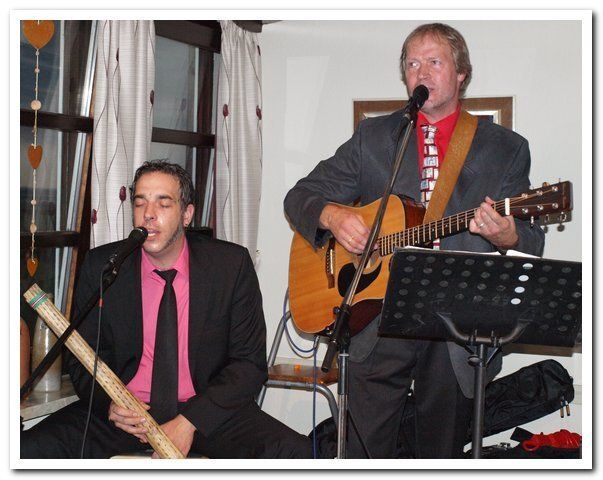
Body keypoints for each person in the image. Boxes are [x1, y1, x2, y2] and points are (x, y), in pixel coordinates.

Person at [284, 23, 545, 458]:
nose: (421, 72)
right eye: (412, 64)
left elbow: (531, 239)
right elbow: (301, 196)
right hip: (376, 317)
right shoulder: (374, 138)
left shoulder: (505, 148)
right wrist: (334, 216)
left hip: (457, 323)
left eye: (434, 62)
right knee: (365, 453)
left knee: (440, 453)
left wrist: (508, 233)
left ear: (461, 74)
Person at [22, 161, 312, 459]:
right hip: (126, 415)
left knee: (296, 454)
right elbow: (83, 358)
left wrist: (189, 422)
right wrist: (109, 406)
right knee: (26, 449)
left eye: (163, 203)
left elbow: (248, 364)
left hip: (204, 414)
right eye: (140, 203)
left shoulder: (229, 266)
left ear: (187, 214)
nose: (148, 214)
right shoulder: (104, 266)